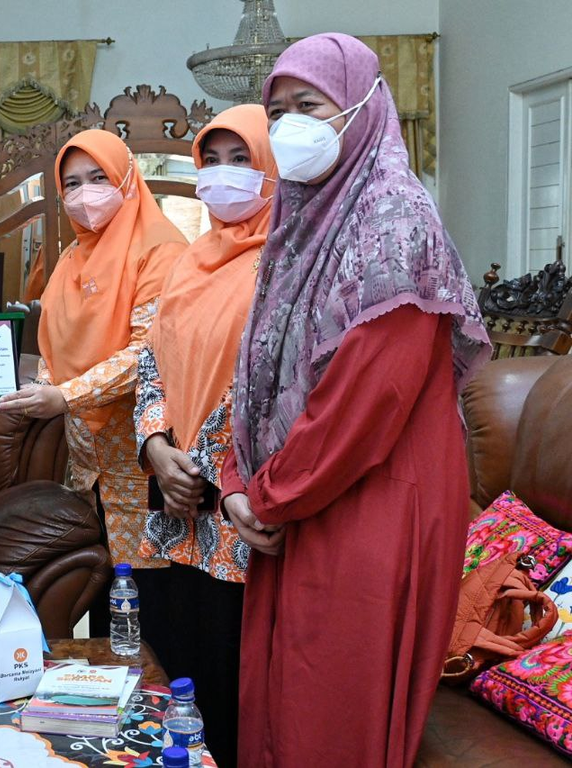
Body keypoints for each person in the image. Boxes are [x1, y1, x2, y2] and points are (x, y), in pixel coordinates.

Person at [220, 34, 491, 767]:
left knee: (328, 712)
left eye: (309, 107)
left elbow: (366, 402)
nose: (288, 130)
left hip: (370, 500)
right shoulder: (305, 220)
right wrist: (238, 488)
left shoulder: (394, 225)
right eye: (276, 113)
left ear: (365, 110)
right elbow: (261, 370)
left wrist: (266, 496)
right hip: (302, 496)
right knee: (280, 699)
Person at [0, 129, 188, 643]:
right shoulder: (69, 261)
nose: (85, 195)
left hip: (143, 460)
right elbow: (53, 344)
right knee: (104, 602)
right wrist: (36, 388)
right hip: (86, 466)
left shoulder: (162, 251)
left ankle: (155, 713)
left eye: (98, 178)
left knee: (153, 612)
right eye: (72, 183)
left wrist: (64, 396)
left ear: (126, 179)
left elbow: (148, 356)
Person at [132, 104, 276, 767]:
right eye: (210, 161)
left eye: (240, 159)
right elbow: (151, 363)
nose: (222, 176)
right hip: (174, 508)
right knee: (174, 689)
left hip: (239, 513)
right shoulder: (190, 262)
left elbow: (280, 384)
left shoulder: (290, 263)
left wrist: (206, 472)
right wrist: (158, 450)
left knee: (235, 694)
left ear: (272, 168)